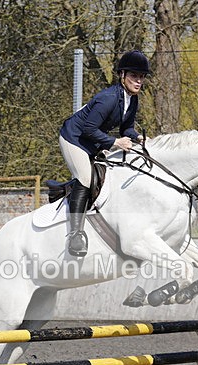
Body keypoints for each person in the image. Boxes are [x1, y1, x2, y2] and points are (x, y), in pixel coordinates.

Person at [58, 49, 151, 257]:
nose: (138, 81)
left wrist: (136, 137)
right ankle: (75, 235)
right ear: (122, 75)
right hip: (73, 138)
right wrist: (115, 142)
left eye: (142, 77)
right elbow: (88, 129)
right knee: (84, 178)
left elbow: (126, 127)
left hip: (90, 141)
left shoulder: (131, 99)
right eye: (134, 76)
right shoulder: (108, 98)